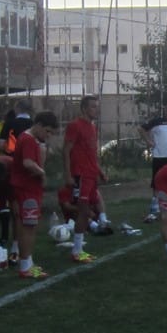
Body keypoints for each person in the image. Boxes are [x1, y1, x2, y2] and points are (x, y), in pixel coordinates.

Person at [10, 111, 60, 279]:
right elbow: (28, 163)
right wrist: (42, 173)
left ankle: (28, 262)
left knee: (28, 225)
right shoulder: (29, 139)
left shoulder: (28, 139)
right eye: (47, 131)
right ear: (38, 125)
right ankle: (25, 266)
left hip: (27, 188)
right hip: (27, 188)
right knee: (29, 226)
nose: (48, 135)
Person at [63, 94, 108, 264]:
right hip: (80, 174)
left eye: (97, 106)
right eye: (93, 107)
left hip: (90, 174)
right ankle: (77, 250)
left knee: (88, 210)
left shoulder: (92, 127)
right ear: (83, 108)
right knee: (82, 211)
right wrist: (68, 174)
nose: (96, 110)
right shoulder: (75, 125)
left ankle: (78, 248)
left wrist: (100, 171)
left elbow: (92, 153)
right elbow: (66, 150)